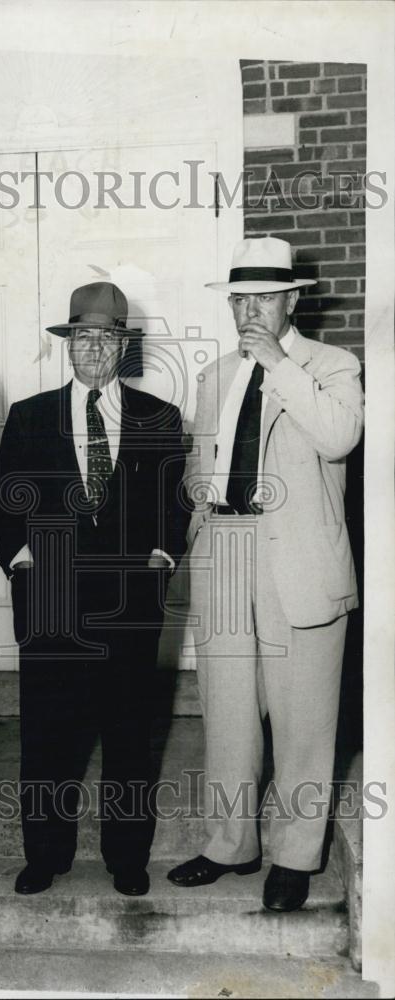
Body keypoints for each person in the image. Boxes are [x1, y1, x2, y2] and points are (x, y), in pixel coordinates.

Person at [167, 237, 364, 912]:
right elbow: (200, 463)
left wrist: (278, 363)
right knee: (226, 712)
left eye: (263, 299)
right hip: (223, 549)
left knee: (304, 715)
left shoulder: (332, 365)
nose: (248, 311)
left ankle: (294, 854)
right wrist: (198, 527)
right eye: (238, 299)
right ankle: (230, 844)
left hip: (296, 557)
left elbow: (338, 437)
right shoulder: (215, 375)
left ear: (290, 303)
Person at [0, 281, 187, 896]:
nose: (93, 348)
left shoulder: (160, 416)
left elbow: (173, 503)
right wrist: (20, 559)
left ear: (122, 347)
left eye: (105, 337)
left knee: (129, 731)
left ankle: (126, 856)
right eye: (82, 337)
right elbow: (4, 503)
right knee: (47, 731)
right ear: (68, 344)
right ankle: (44, 855)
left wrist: (161, 556)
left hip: (129, 599)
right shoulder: (29, 415)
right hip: (49, 597)